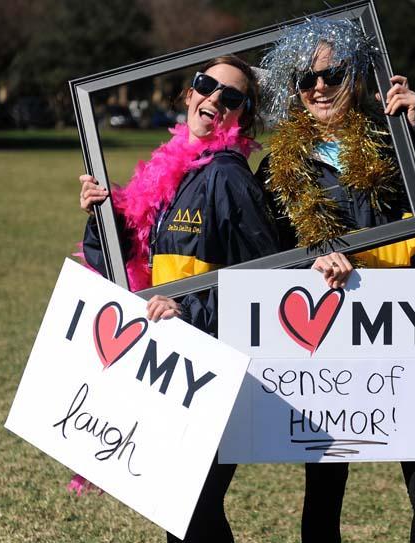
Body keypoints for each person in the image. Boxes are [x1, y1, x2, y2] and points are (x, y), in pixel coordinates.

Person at [256, 18, 415, 543]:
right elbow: (259, 254)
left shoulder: (398, 144)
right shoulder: (279, 166)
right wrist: (309, 264)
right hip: (329, 342)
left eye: (332, 74)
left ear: (357, 75)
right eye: (304, 78)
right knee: (324, 491)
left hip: (409, 334)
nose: (318, 86)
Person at [79, 55, 279, 543]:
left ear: (242, 116)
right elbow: (116, 262)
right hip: (171, 364)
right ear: (188, 93)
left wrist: (185, 308)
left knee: (192, 512)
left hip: (211, 367)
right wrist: (100, 214)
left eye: (231, 96)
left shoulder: (229, 178)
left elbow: (265, 281)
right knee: (186, 516)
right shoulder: (170, 174)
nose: (214, 98)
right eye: (205, 85)